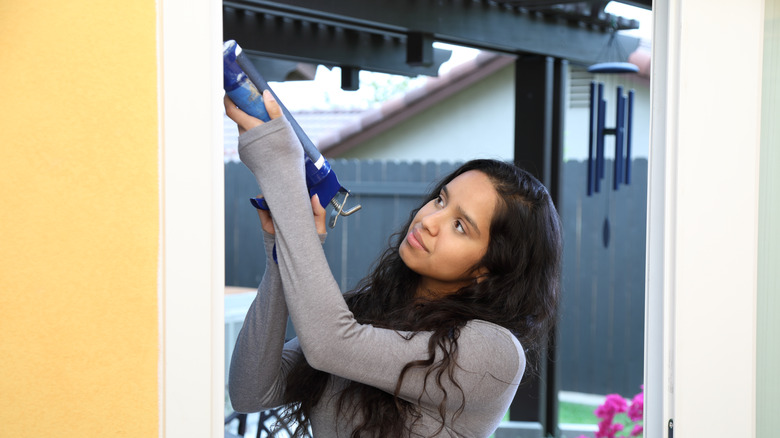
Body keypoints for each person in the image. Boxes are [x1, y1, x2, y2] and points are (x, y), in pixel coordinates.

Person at [225, 90, 562, 438]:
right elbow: (252, 390)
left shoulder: (494, 354)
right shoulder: (374, 307)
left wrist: (282, 172)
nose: (429, 220)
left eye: (460, 226)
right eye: (441, 199)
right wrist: (282, 251)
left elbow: (331, 344)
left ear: (487, 269)